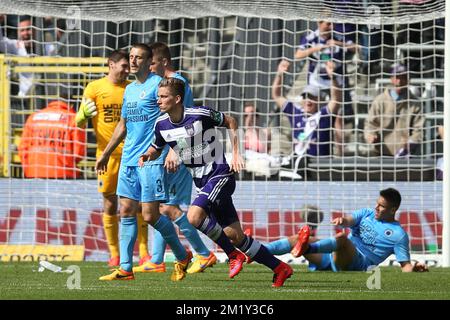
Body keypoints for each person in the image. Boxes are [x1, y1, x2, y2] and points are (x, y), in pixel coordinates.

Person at [140, 77, 294, 287]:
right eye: (158, 96)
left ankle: (232, 256)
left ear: (177, 99)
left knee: (194, 217)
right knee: (235, 236)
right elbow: (156, 148)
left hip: (220, 173)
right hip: (201, 182)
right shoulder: (161, 124)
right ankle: (280, 267)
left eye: (163, 97)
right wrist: (147, 155)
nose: (159, 100)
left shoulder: (199, 114)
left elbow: (231, 121)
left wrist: (237, 154)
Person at [95, 43, 192, 282]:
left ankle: (182, 254)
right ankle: (125, 268)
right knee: (125, 210)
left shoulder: (158, 86)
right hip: (128, 159)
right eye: (131, 57)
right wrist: (106, 153)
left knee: (150, 215)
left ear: (149, 62)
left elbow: (176, 117)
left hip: (151, 159)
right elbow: (123, 125)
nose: (133, 61)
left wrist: (173, 150)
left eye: (139, 58)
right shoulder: (129, 89)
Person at [133, 42, 217, 275]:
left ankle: (203, 253)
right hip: (172, 150)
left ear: (164, 62)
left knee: (168, 208)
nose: (148, 67)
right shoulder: (162, 85)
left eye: (151, 62)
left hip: (179, 152)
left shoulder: (178, 84)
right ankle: (158, 258)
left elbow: (184, 120)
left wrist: (173, 150)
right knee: (161, 207)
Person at [75, 50, 151, 268]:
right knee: (110, 204)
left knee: (137, 204)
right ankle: (114, 254)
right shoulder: (95, 88)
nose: (128, 70)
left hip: (133, 154)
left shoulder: (133, 88)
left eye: (130, 66)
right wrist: (81, 115)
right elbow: (79, 123)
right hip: (106, 157)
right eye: (124, 66)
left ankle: (144, 253)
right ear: (111, 64)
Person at [293, 188, 429, 272]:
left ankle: (306, 248)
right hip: (337, 257)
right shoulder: (367, 213)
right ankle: (271, 256)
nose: (376, 207)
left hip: (360, 264)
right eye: (377, 203)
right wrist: (343, 221)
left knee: (342, 239)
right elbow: (349, 220)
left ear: (393, 210)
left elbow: (405, 266)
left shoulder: (399, 235)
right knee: (296, 239)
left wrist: (414, 269)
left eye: (381, 206)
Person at [272, 59, 343, 162]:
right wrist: (279, 74)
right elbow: (276, 95)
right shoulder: (295, 113)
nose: (308, 101)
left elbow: (336, 99)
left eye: (312, 97)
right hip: (299, 164)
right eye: (305, 97)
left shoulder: (324, 115)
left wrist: (333, 77)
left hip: (320, 164)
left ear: (318, 100)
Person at [364, 64, 425, 157]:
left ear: (408, 80)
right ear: (391, 79)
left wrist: (411, 142)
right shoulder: (380, 100)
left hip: (405, 155)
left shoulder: (415, 103)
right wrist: (371, 135)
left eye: (403, 77)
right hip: (381, 153)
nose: (400, 81)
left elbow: (419, 129)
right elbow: (370, 124)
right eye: (397, 77)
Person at [18, 97, 86, 178]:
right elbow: (78, 152)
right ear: (71, 105)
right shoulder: (73, 118)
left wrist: (28, 169)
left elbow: (23, 149)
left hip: (34, 173)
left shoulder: (33, 117)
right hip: (64, 174)